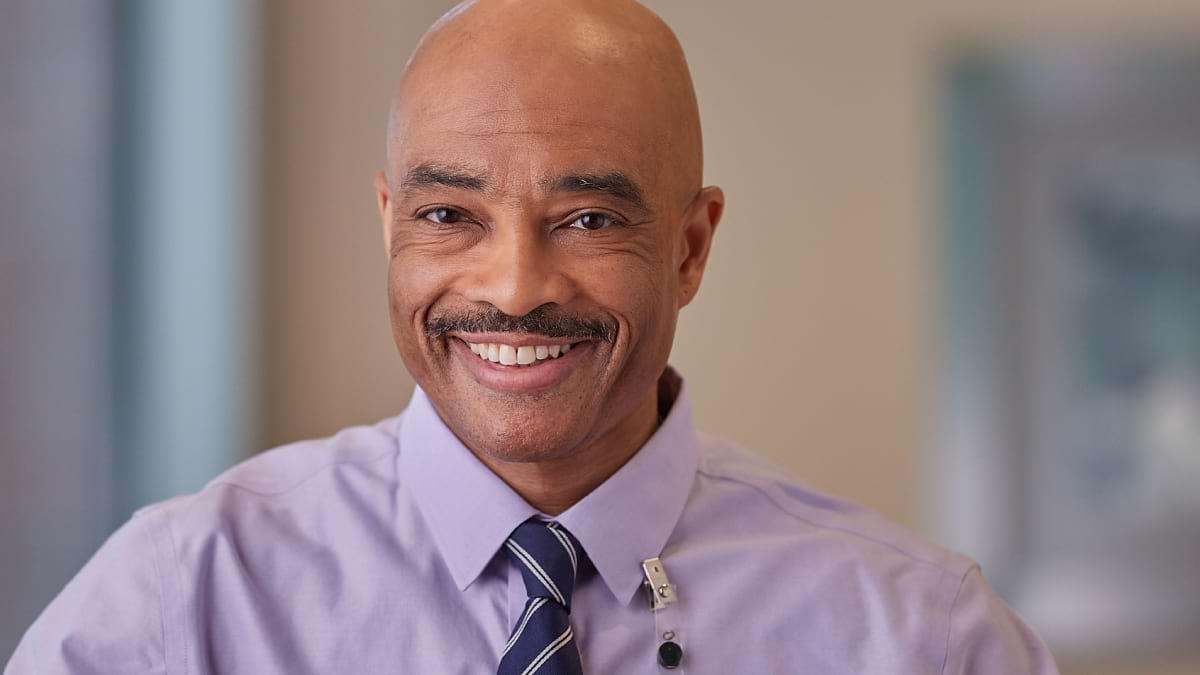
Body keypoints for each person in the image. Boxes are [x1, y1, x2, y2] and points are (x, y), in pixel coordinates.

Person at [5, 0, 1060, 673]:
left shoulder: (922, 637)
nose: (513, 288)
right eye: (449, 215)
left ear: (690, 248)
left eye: (590, 219)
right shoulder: (182, 601)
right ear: (390, 226)